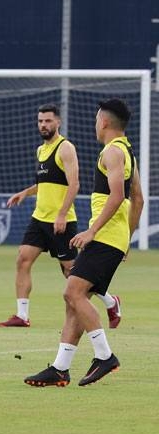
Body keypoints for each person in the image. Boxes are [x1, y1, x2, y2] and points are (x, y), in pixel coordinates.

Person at [25, 99, 143, 388]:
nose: (94, 124)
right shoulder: (127, 152)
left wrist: (92, 231)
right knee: (75, 303)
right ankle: (60, 368)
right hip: (113, 239)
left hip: (104, 238)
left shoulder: (112, 152)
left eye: (95, 119)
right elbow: (137, 199)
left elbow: (117, 197)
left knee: (72, 293)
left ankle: (105, 356)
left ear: (103, 121)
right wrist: (127, 238)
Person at [2, 104, 123, 328]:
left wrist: (61, 214)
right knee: (23, 259)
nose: (43, 125)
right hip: (40, 218)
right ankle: (22, 315)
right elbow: (45, 183)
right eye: (40, 121)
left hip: (61, 221)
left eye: (48, 121)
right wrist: (24, 193)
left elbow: (74, 184)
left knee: (72, 272)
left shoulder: (65, 148)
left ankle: (110, 300)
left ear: (58, 122)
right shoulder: (40, 150)